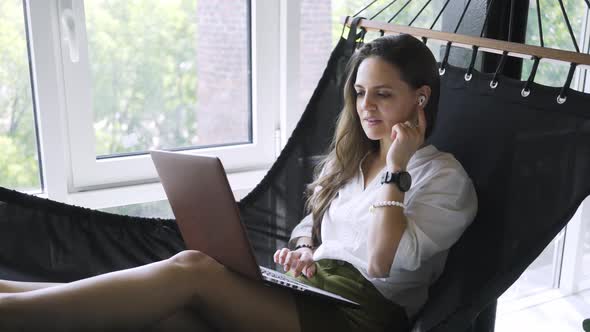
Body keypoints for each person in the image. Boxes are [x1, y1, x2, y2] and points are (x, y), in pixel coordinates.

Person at [0, 34, 477, 332]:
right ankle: (11, 294)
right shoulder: (354, 162)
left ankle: (14, 315)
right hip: (314, 293)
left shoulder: (445, 178)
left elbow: (378, 261)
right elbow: (314, 230)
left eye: (382, 94)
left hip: (360, 317)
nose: (365, 107)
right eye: (358, 93)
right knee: (170, 318)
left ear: (421, 97)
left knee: (191, 268)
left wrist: (397, 167)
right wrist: (305, 251)